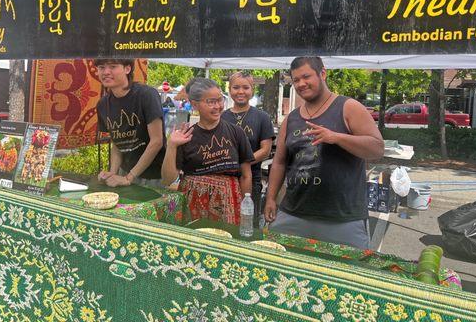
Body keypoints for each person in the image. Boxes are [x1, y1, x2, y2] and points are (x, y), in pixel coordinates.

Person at [264, 56, 384, 249]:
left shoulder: (348, 107)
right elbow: (279, 162)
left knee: (345, 275)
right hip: (293, 214)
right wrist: (270, 198)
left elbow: (377, 148)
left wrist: (336, 137)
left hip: (342, 219)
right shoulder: (292, 118)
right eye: (296, 80)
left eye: (306, 76)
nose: (301, 84)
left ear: (323, 73)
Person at [161, 78, 254, 224]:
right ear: (194, 104)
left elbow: (246, 176)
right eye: (211, 102)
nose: (218, 106)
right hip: (192, 205)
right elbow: (168, 179)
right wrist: (172, 146)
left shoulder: (236, 133)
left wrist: (245, 207)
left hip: (229, 205)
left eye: (220, 100)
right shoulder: (186, 136)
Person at [95, 58, 165, 188]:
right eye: (101, 67)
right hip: (125, 173)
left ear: (127, 69)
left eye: (113, 66)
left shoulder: (147, 95)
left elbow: (157, 141)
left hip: (153, 176)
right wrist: (112, 173)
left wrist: (129, 177)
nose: (106, 72)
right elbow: (117, 143)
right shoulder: (102, 105)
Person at [222, 71, 274, 225]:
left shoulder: (262, 117)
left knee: (248, 221)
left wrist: (242, 164)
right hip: (224, 179)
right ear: (229, 89)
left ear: (252, 90)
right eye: (236, 87)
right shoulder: (222, 117)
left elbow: (265, 150)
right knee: (226, 220)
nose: (240, 92)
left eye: (245, 87)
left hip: (252, 180)